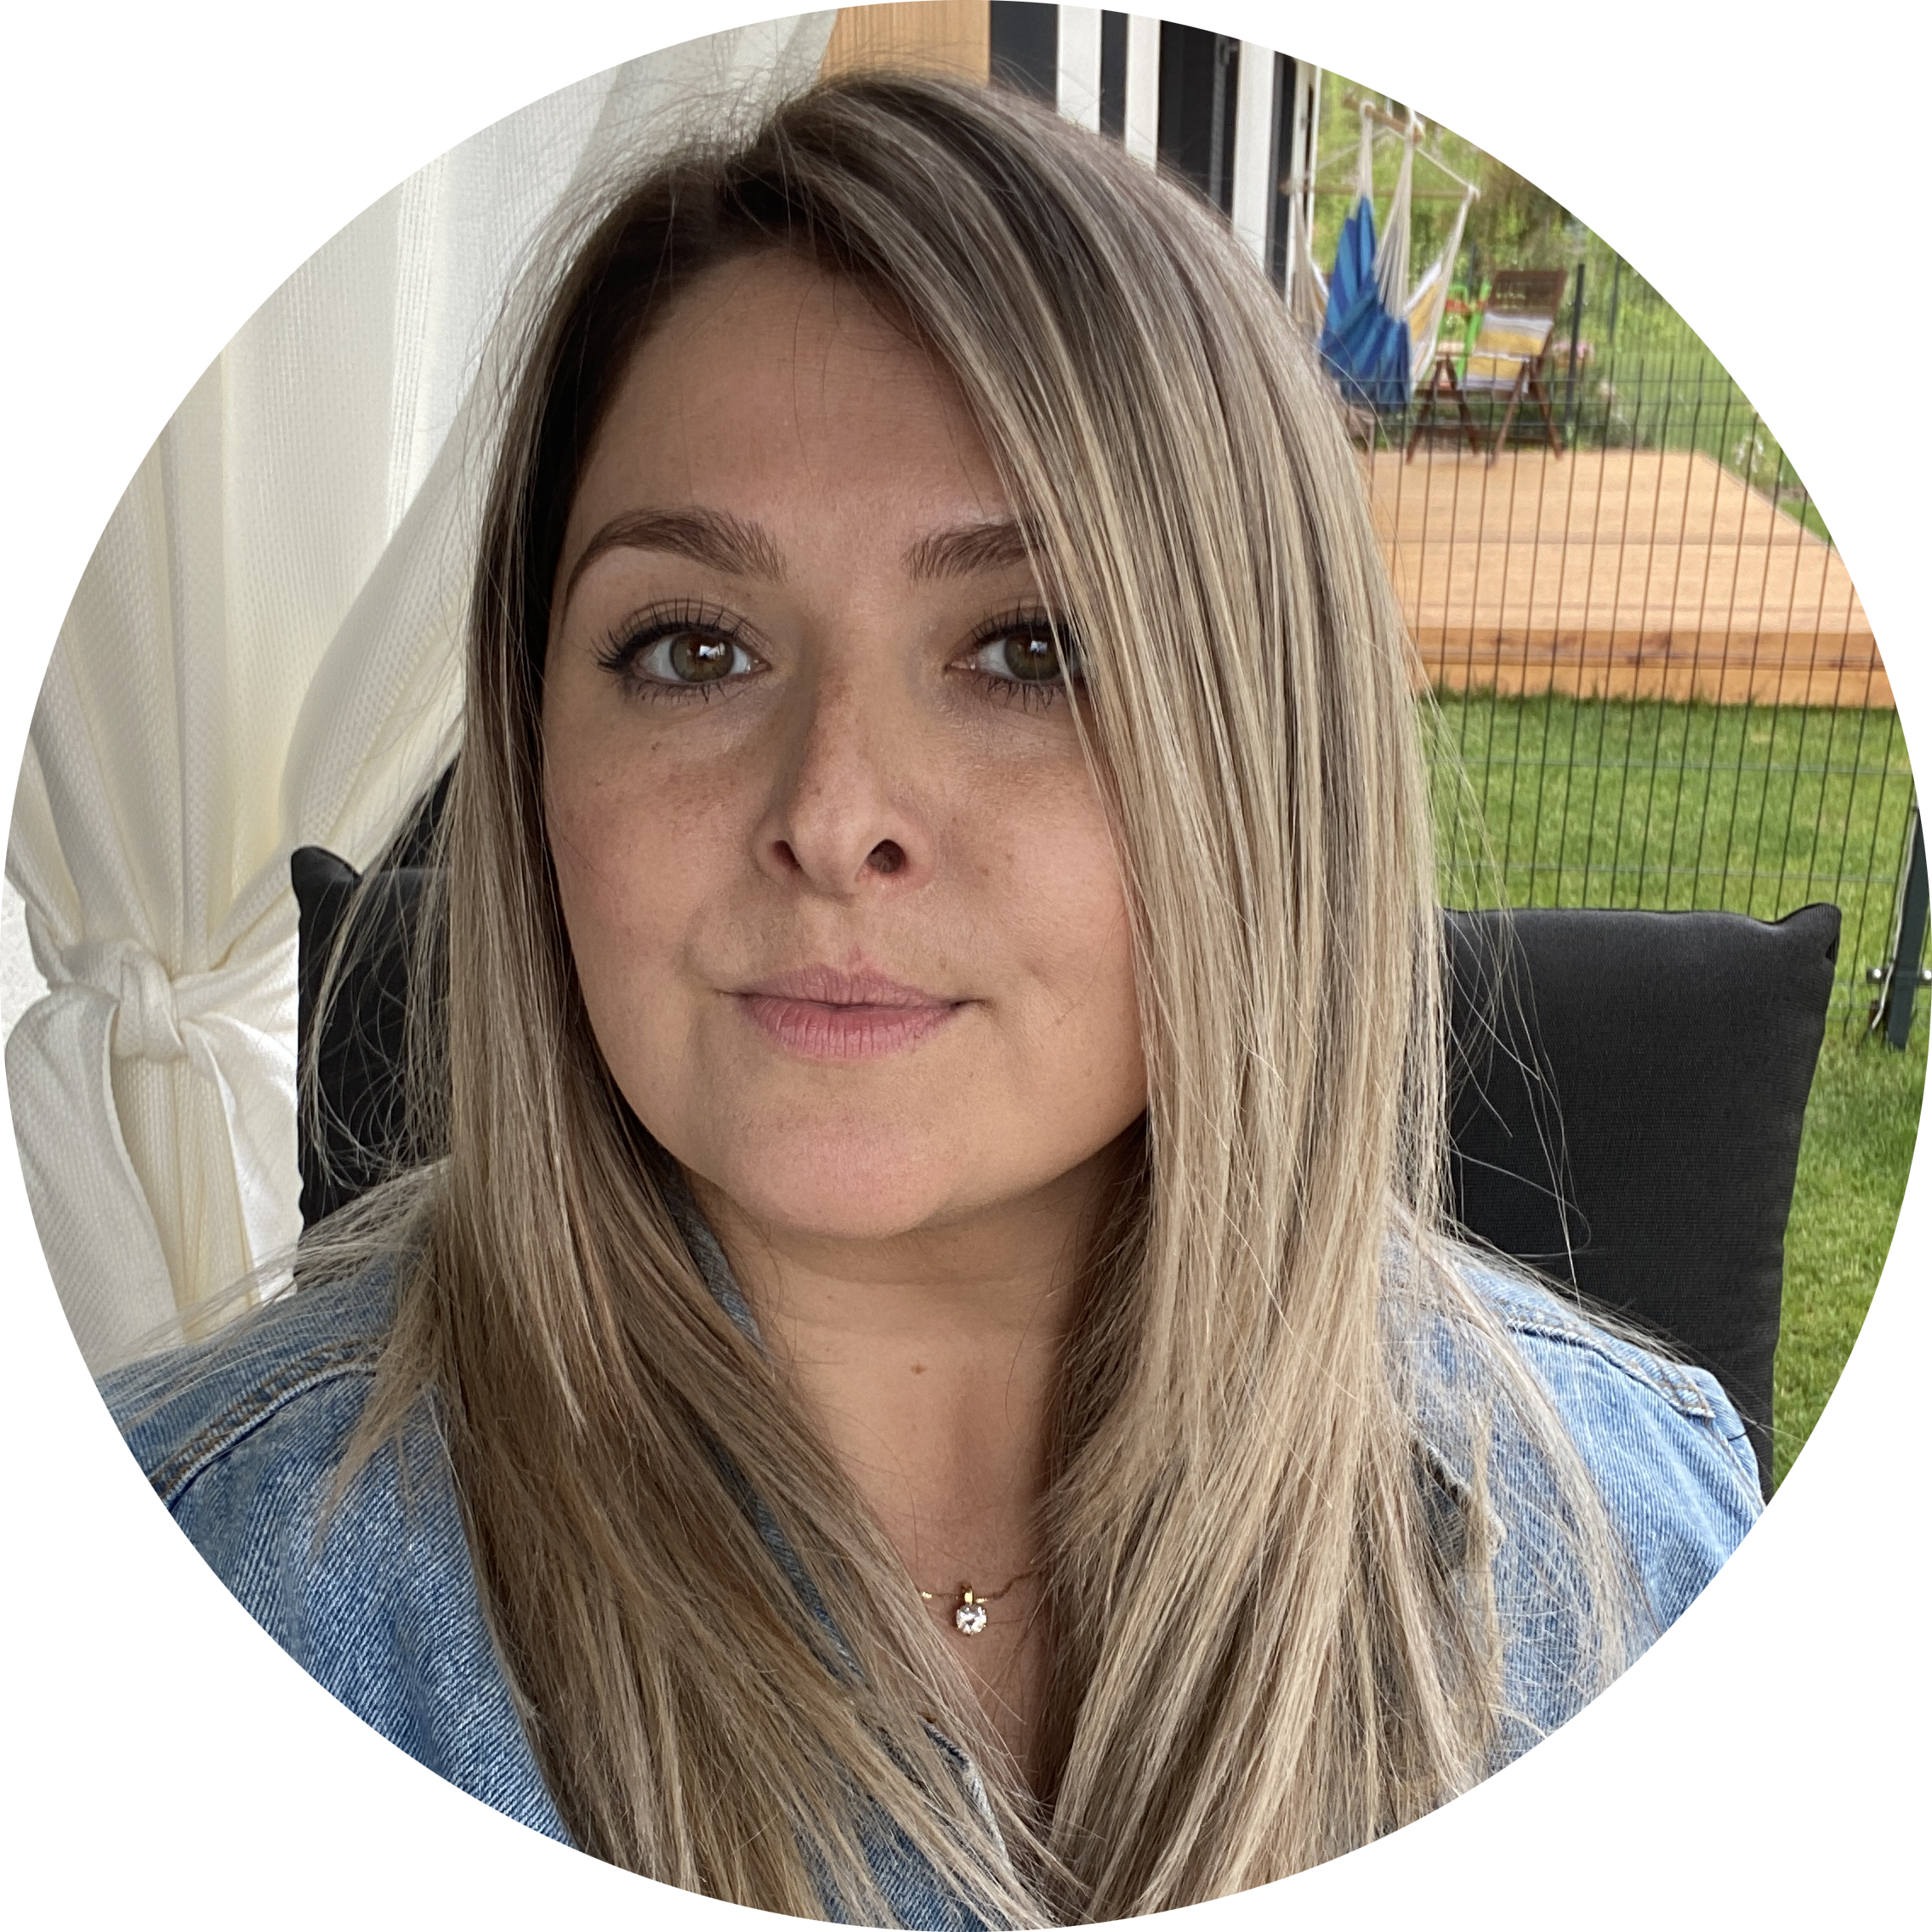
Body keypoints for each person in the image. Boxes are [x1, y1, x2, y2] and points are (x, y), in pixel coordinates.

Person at [99, 69, 1763, 1928]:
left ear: (1267, 752)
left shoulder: (1638, 1554)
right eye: (691, 647)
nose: (830, 815)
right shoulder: (186, 1579)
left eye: (1027, 648)